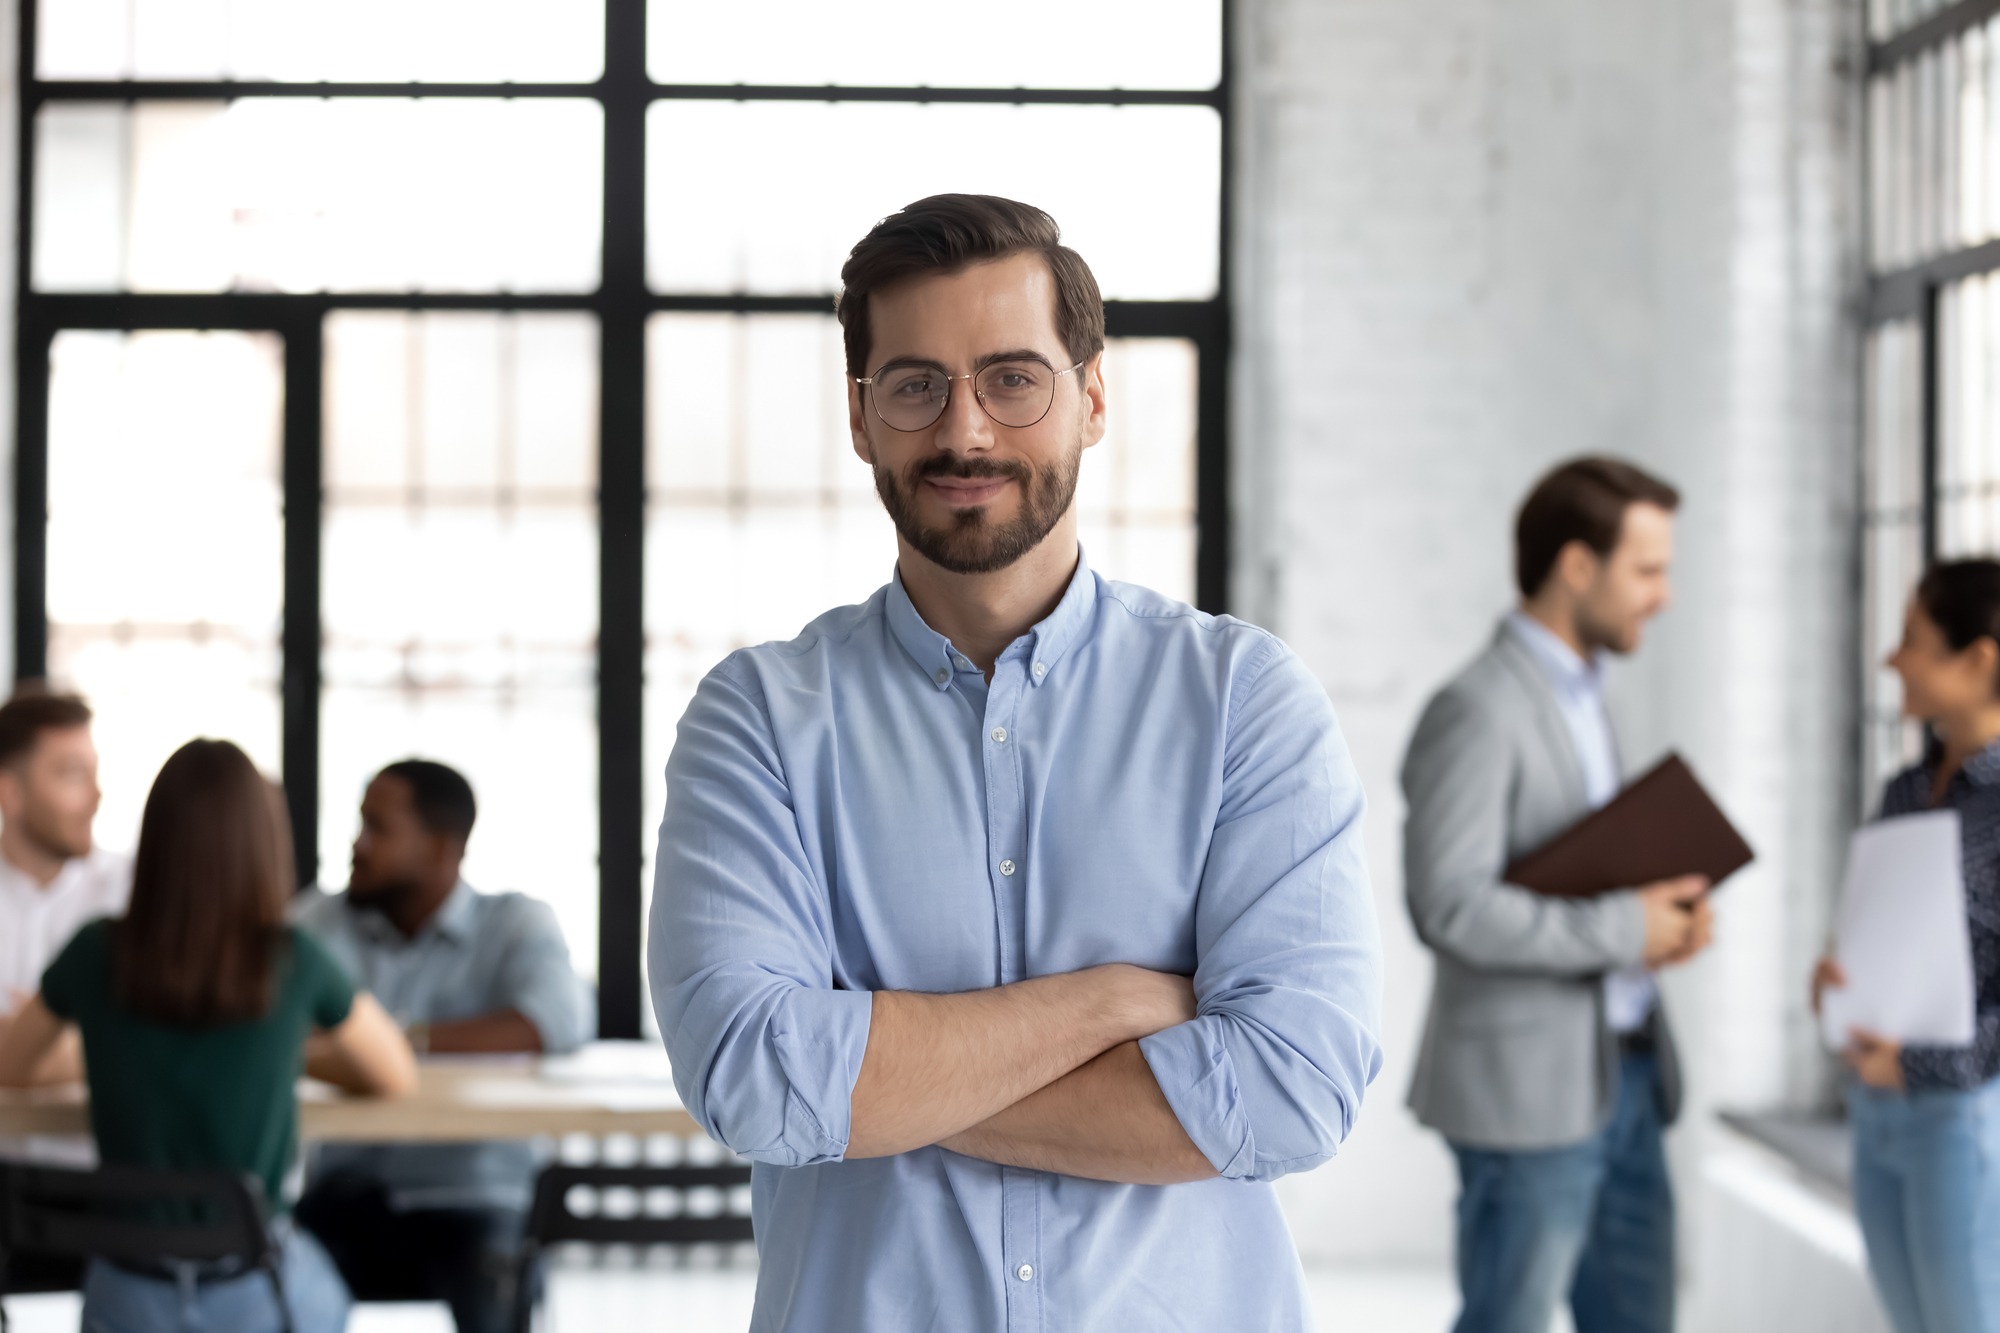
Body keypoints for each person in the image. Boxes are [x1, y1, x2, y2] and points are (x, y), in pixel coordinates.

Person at [650, 193, 1384, 1332]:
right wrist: (1112, 1004)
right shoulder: (758, 720)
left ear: (1091, 398)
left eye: (1011, 377)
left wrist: (876, 1077)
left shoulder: (1241, 701)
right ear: (860, 416)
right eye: (913, 385)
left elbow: (1288, 1094)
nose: (965, 432)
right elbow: (753, 1077)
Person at [1401, 456, 1717, 1333]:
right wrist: (1626, 928)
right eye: (1648, 570)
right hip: (1528, 1095)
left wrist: (1662, 926)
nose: (1664, 594)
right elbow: (1448, 904)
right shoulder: (1478, 708)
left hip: (1627, 1069)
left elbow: (1577, 871)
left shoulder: (1584, 693)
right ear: (1578, 566)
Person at [0, 738, 416, 1333]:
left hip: (125, 1295)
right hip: (252, 1291)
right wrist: (279, 1052)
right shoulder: (295, 959)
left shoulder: (95, 951)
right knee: (333, 1295)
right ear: (265, 844)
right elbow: (394, 1075)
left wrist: (105, 1049)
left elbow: (11, 1066)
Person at [294, 759, 593, 1333]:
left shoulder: (513, 922)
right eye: (360, 825)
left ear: (441, 848)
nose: (358, 845)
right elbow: (268, 1017)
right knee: (263, 1277)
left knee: (496, 1281)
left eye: (378, 828)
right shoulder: (321, 922)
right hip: (346, 1192)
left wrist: (390, 1042)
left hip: (474, 1195)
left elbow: (551, 1021)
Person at [1813, 559, 2000, 1333]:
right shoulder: (1902, 788)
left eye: (1913, 641)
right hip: (1876, 1106)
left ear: (1980, 660)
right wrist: (1833, 982)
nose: (1892, 659)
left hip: (1960, 1116)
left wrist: (1920, 1065)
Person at [0, 689, 130, 1092]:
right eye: (74, 775)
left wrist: (23, 1041)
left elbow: (157, 1039)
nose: (96, 796)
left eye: (95, 773)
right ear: (10, 793)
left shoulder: (130, 891)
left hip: (93, 1155)